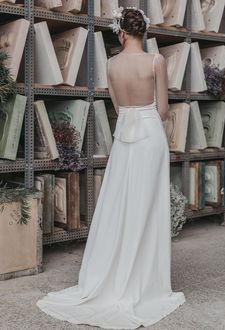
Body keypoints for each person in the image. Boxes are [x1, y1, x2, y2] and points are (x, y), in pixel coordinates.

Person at [36, 6, 186, 329]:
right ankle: (144, 280)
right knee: (148, 209)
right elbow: (161, 110)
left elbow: (118, 106)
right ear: (142, 31)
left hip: (125, 137)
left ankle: (113, 274)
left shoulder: (110, 64)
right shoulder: (155, 62)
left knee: (120, 206)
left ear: (120, 32)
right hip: (149, 138)